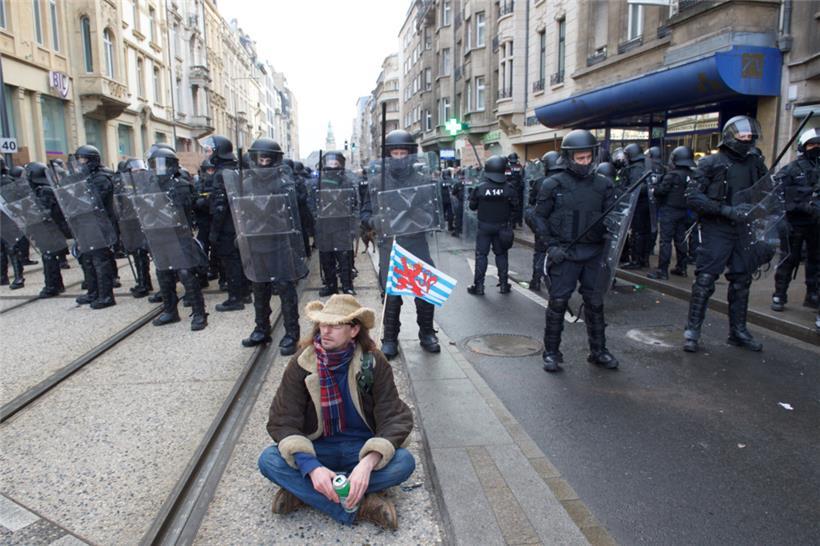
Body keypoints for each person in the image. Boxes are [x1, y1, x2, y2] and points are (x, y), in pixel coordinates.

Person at [258, 294, 415, 530]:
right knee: (268, 461)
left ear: (354, 330)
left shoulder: (373, 362)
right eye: (322, 324)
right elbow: (282, 421)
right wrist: (311, 466)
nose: (326, 331)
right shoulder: (301, 363)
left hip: (360, 450)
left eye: (335, 325)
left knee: (404, 463)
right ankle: (358, 506)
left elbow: (395, 416)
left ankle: (304, 493)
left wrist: (368, 463)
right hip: (318, 448)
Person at [535, 129, 619, 372]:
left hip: (594, 252)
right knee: (558, 301)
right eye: (579, 158)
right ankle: (551, 352)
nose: (585, 163)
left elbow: (613, 217)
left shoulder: (603, 184)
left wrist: (611, 227)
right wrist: (551, 246)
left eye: (588, 157)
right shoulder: (553, 184)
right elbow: (537, 218)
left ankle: (599, 351)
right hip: (565, 253)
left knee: (594, 302)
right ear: (569, 157)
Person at [683, 115, 768, 353]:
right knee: (705, 280)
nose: (746, 139)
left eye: (750, 136)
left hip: (744, 229)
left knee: (742, 280)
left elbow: (766, 192)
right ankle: (692, 331)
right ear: (730, 136)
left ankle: (738, 331)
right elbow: (693, 197)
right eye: (742, 135)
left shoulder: (756, 164)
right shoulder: (710, 163)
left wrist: (759, 209)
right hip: (717, 228)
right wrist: (726, 210)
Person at [374, 130, 441, 358]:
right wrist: (377, 221)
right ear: (388, 154)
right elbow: (365, 213)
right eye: (395, 152)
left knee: (424, 289)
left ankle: (427, 332)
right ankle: (390, 337)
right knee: (391, 293)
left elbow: (435, 210)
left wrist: (420, 215)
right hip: (390, 244)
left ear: (411, 154)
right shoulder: (378, 182)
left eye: (404, 152)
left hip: (416, 241)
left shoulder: (423, 180)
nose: (400, 157)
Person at [238, 138, 307, 355]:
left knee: (286, 287)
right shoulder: (247, 182)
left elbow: (293, 207)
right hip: (256, 240)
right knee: (259, 286)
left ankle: (291, 333)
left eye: (268, 158)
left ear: (275, 159)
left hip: (279, 240)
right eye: (260, 158)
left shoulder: (283, 180)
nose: (264, 162)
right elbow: (242, 210)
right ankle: (261, 329)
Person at [142, 147, 208, 331]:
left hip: (179, 236)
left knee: (186, 274)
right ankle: (170, 311)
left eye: (161, 164)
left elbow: (181, 209)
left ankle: (199, 313)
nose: (158, 168)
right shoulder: (149, 185)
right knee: (163, 274)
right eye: (155, 165)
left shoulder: (180, 185)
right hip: (158, 235)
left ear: (171, 165)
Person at [771, 128, 819, 311]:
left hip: (816, 224)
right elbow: (777, 195)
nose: (816, 148)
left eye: (819, 145)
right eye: (812, 144)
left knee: (815, 260)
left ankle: (812, 294)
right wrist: (799, 206)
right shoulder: (791, 169)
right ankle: (779, 295)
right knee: (789, 259)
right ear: (803, 146)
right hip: (794, 223)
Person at [315, 151, 370, 296]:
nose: (333, 166)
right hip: (325, 226)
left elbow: (355, 204)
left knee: (344, 257)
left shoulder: (348, 181)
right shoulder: (319, 181)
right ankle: (331, 285)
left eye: (336, 163)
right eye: (330, 163)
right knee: (327, 257)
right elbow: (312, 203)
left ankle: (347, 285)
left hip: (343, 225)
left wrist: (355, 224)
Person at [203, 135, 247, 311]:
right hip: (239, 223)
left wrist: (214, 231)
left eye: (209, 150)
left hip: (227, 227)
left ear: (218, 151)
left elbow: (220, 206)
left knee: (231, 262)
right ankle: (243, 293)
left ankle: (235, 298)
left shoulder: (221, 173)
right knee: (240, 260)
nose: (207, 153)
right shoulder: (235, 169)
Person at [72, 145, 118, 309]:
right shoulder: (85, 178)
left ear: (92, 160)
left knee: (100, 260)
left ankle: (106, 296)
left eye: (82, 159)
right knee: (87, 259)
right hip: (86, 224)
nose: (79, 163)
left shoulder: (101, 178)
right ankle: (93, 292)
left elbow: (94, 202)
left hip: (99, 225)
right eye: (78, 160)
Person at [467, 155, 518, 295]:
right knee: (501, 254)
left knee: (481, 255)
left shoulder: (480, 188)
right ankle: (503, 285)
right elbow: (515, 207)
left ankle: (478, 287)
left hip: (484, 226)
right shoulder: (509, 188)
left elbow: (472, 206)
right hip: (502, 226)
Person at [647, 146, 696, 280]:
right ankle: (682, 267)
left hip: (669, 211)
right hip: (684, 211)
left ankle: (662, 270)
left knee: (665, 241)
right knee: (680, 240)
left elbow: (661, 191)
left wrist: (655, 188)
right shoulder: (691, 174)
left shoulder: (672, 175)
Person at [26, 161, 71, 297]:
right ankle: (56, 285)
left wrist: (28, 211)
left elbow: (45, 212)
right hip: (48, 230)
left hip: (49, 230)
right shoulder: (44, 188)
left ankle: (52, 286)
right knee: (49, 257)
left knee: (49, 257)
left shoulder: (44, 190)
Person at [526, 151, 562, 292]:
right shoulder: (568, 181)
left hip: (544, 224)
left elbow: (532, 203)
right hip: (562, 226)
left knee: (540, 252)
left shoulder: (540, 182)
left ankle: (536, 280)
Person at [621, 143, 653, 269]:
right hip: (650, 204)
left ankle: (636, 260)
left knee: (638, 233)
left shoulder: (634, 168)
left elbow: (634, 188)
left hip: (638, 204)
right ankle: (644, 259)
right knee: (646, 232)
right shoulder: (650, 163)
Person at [506, 152, 525, 227]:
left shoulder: (507, 167)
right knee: (519, 205)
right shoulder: (520, 167)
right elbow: (522, 177)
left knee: (510, 205)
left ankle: (512, 223)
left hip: (510, 189)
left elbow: (506, 178)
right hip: (519, 189)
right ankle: (519, 222)